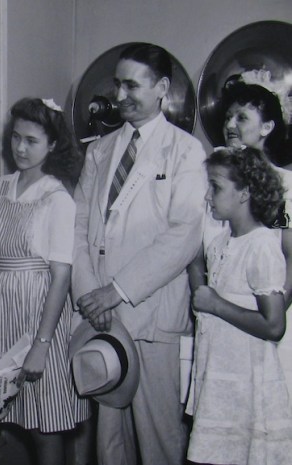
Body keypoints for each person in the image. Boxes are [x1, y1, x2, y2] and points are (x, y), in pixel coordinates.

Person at [71, 43, 207, 465]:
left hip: (152, 317)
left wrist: (116, 291)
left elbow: (185, 235)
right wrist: (91, 295)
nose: (119, 95)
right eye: (118, 84)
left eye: (132, 85)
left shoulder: (186, 151)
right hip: (103, 318)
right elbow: (78, 227)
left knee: (159, 439)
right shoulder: (99, 150)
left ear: (162, 88)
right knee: (110, 443)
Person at [0, 97, 88, 465]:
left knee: (43, 428)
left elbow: (61, 276)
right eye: (16, 137)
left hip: (38, 318)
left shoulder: (57, 198)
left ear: (53, 144)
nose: (20, 148)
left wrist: (42, 345)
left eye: (32, 141)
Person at [186, 146, 292, 464]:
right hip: (220, 379)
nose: (208, 196)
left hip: (248, 383)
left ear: (244, 192)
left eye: (216, 187)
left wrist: (215, 305)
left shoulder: (262, 246)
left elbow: (274, 325)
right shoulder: (220, 244)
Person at [200, 75, 292, 397]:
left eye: (241, 117)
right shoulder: (215, 183)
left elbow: (290, 256)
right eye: (228, 117)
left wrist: (269, 314)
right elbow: (199, 252)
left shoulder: (283, 186)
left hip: (264, 316)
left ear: (266, 127)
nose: (230, 125)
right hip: (217, 317)